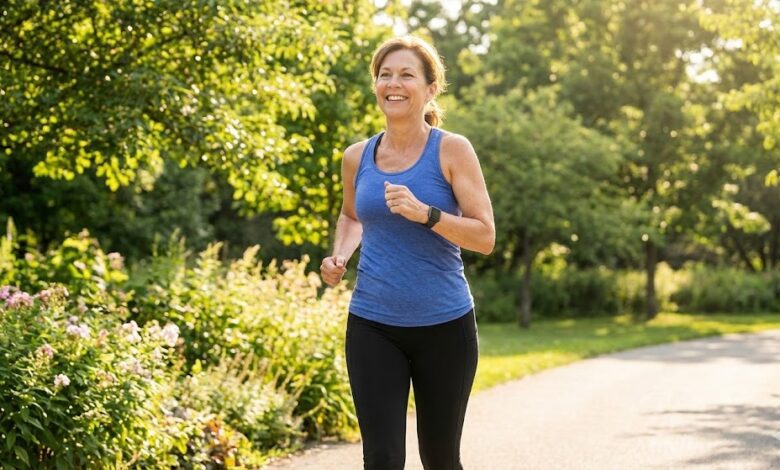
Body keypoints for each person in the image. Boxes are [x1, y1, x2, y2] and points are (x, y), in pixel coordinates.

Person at [320, 35, 495, 470]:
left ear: (431, 88)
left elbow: (485, 236)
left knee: (439, 457)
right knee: (381, 458)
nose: (392, 84)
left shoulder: (452, 150)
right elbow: (352, 217)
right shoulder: (356, 156)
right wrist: (339, 256)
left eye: (406, 75)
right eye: (384, 75)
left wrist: (427, 215)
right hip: (373, 324)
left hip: (445, 325)